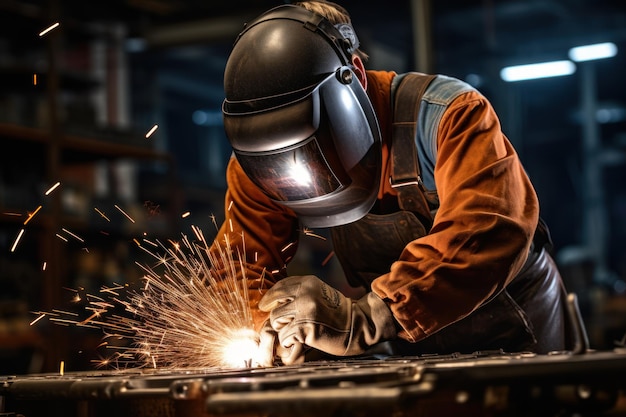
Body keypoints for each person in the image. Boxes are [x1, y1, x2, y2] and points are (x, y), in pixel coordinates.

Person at [210, 0, 576, 366]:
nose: (295, 162)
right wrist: (267, 330)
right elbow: (240, 265)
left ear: (355, 75)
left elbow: (485, 229)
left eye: (312, 141)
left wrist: (368, 318)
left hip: (519, 335)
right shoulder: (259, 162)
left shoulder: (450, 115)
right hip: (411, 348)